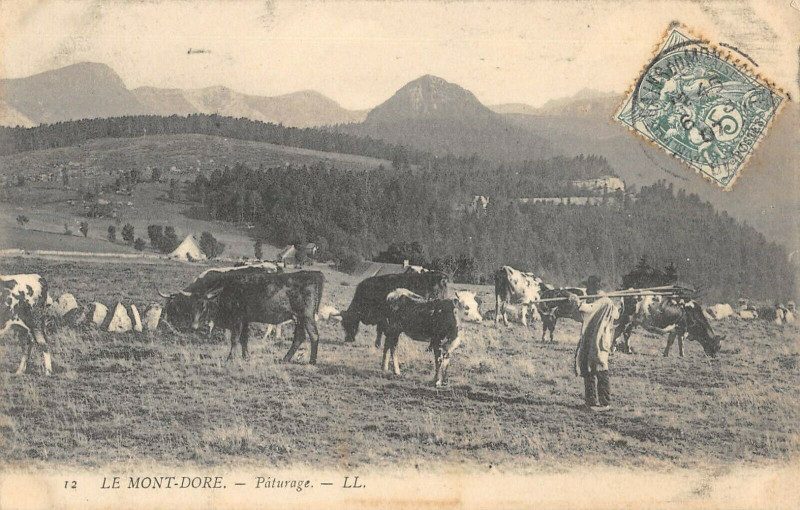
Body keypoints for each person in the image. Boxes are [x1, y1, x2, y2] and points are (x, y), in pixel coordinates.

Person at [569, 289, 619, 411]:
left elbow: (588, 309)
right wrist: (575, 305)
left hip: (600, 339)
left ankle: (605, 403)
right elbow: (581, 316)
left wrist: (577, 302)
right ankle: (590, 401)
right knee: (588, 367)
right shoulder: (596, 302)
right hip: (590, 339)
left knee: (601, 368)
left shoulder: (605, 301)